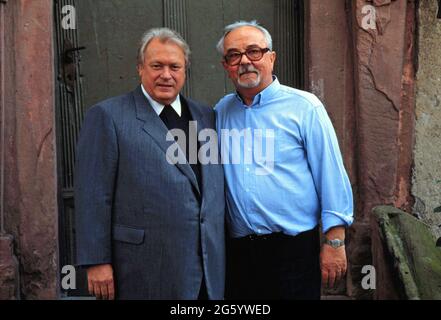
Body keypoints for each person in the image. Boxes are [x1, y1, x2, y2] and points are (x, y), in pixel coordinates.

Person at [74, 27, 225, 300]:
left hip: (207, 268)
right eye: (157, 65)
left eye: (174, 66)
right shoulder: (107, 116)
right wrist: (96, 260)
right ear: (140, 68)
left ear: (185, 71)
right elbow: (93, 194)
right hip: (142, 268)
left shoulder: (206, 116)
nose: (166, 75)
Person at [214, 21, 354, 300]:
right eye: (234, 55)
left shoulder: (305, 107)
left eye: (254, 51)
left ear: (271, 57)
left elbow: (330, 174)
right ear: (225, 65)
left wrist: (335, 241)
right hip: (238, 253)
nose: (244, 62)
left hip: (293, 251)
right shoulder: (221, 111)